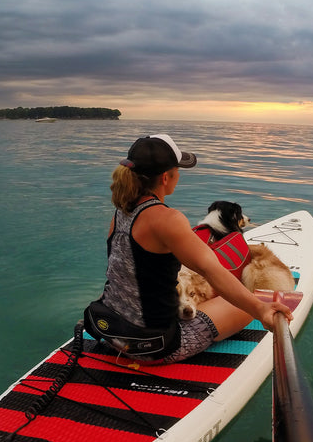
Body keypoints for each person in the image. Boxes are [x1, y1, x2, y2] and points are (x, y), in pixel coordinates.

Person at [84, 134, 292, 364]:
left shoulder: (120, 213)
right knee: (244, 301)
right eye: (178, 169)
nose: (179, 175)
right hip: (154, 347)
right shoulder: (168, 219)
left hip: (112, 332)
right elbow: (213, 270)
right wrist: (260, 310)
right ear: (166, 177)